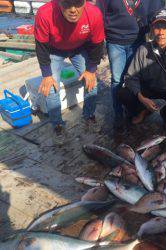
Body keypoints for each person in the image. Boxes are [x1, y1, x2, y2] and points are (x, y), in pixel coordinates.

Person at [34, 0, 105, 145]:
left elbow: (98, 44)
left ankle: (89, 115)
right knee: (51, 88)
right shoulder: (44, 13)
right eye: (67, 4)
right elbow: (41, 46)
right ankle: (57, 125)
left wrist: (91, 70)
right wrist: (47, 74)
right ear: (59, 3)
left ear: (85, 2)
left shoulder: (94, 13)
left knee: (92, 82)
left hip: (79, 48)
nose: (73, 9)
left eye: (78, 4)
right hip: (54, 50)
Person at [95, 0, 164, 129]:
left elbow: (158, 13)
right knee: (117, 80)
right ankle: (118, 114)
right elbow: (99, 16)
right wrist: (98, 45)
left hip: (138, 41)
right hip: (115, 42)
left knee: (137, 77)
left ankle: (136, 110)